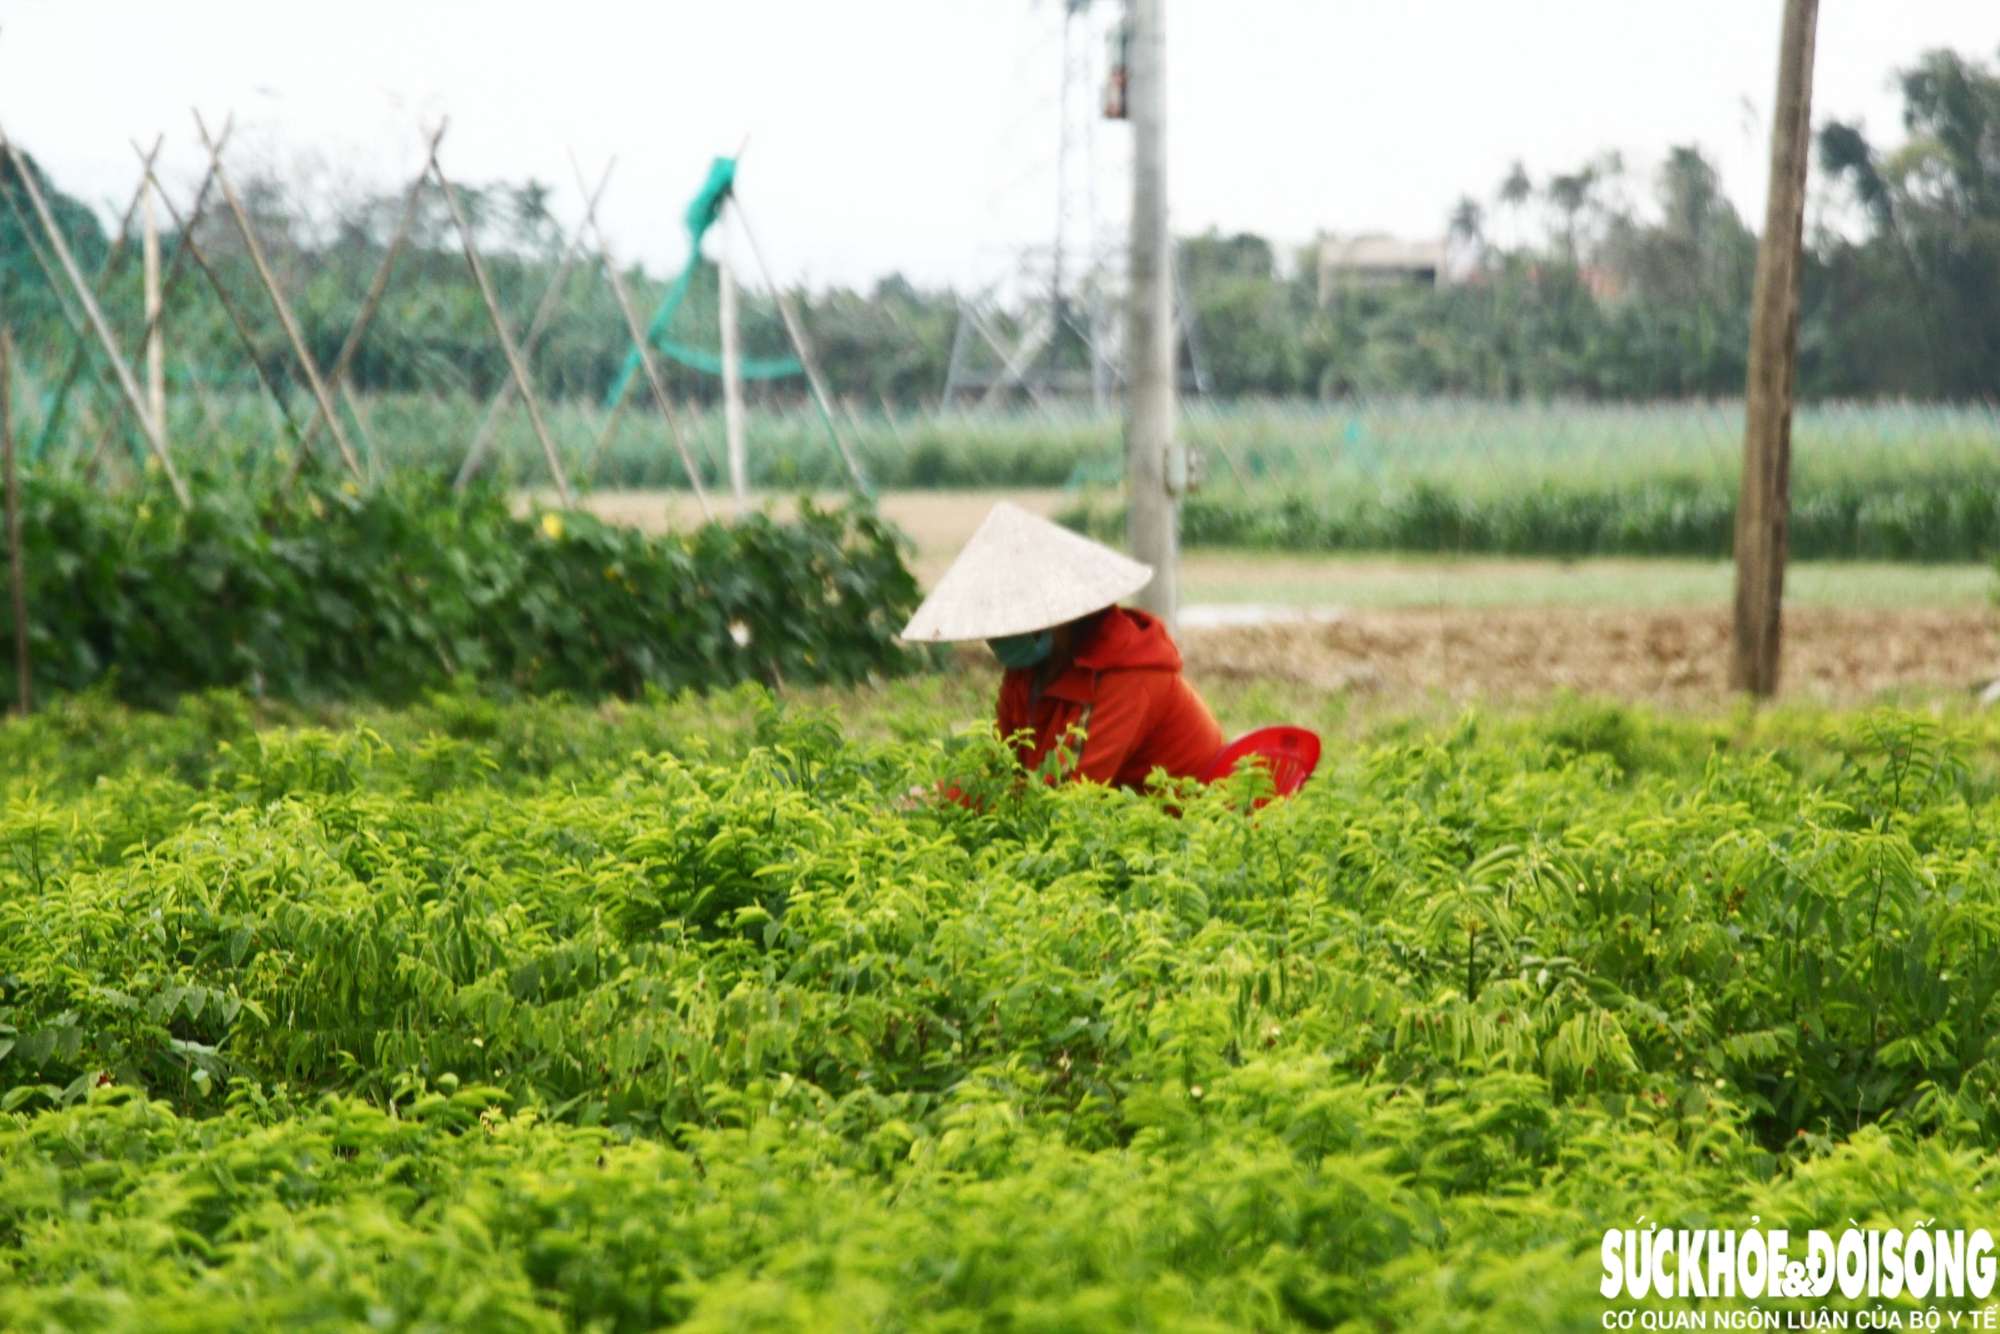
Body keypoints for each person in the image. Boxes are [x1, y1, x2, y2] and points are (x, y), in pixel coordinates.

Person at [901, 502, 1223, 789]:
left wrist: (949, 799)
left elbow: (1066, 799)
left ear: (1059, 614)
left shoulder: (1126, 675)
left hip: (1194, 824)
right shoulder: (1026, 674)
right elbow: (1003, 769)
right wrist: (936, 796)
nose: (998, 638)